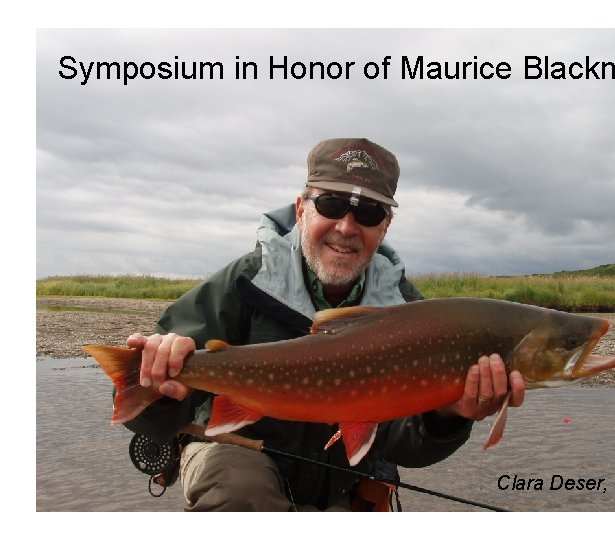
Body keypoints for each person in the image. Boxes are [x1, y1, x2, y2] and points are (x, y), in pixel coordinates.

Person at [124, 137, 526, 511]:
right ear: (302, 210)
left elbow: (405, 447)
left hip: (347, 473)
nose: (347, 227)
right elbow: (147, 415)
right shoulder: (243, 285)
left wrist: (447, 416)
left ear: (385, 227)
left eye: (368, 213)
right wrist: (157, 389)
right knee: (243, 493)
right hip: (237, 454)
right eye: (332, 205)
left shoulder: (410, 314)